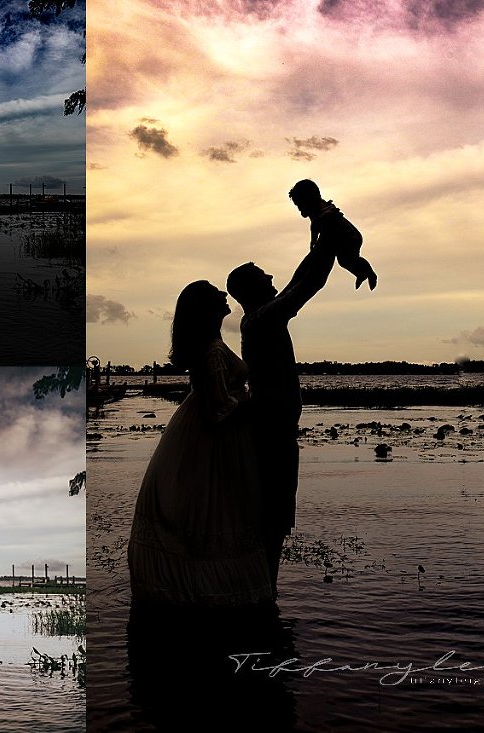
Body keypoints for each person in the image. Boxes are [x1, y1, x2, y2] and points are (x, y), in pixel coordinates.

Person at [127, 281, 272, 607]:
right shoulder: (212, 352)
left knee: (213, 509)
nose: (224, 295)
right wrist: (255, 405)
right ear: (207, 309)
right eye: (216, 293)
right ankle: (205, 588)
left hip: (207, 435)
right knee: (214, 509)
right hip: (213, 440)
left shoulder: (214, 344)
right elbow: (219, 409)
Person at [226, 235, 338, 595]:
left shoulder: (263, 317)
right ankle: (263, 594)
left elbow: (297, 280)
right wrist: (330, 241)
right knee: (272, 518)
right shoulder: (261, 321)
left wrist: (320, 244)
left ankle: (262, 590)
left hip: (274, 429)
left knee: (273, 517)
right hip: (272, 432)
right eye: (262, 275)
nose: (271, 277)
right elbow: (308, 285)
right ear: (250, 289)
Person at [289, 178, 377, 290]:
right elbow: (314, 226)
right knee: (344, 261)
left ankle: (369, 272)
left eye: (300, 205)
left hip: (350, 237)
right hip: (344, 239)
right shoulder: (315, 213)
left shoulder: (323, 207)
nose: (300, 209)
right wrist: (313, 241)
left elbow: (325, 218)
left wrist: (317, 236)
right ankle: (361, 274)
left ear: (309, 200)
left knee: (348, 259)